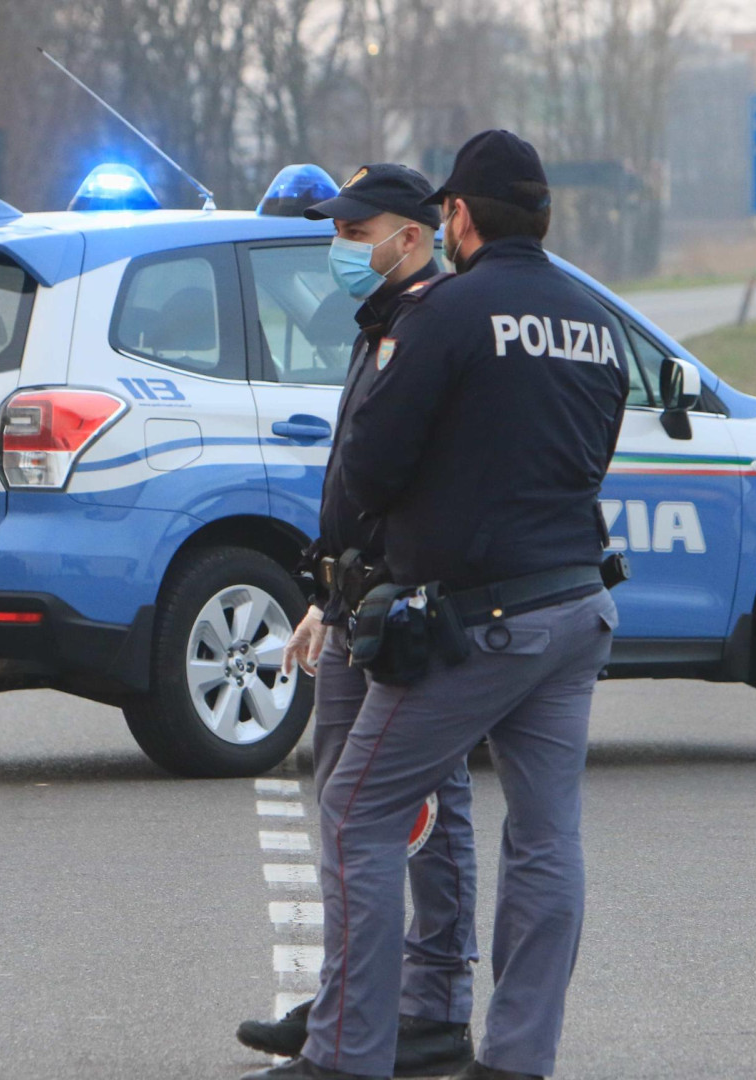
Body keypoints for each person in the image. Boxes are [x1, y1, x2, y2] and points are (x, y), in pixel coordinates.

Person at [249, 130, 630, 1080]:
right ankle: (515, 1060)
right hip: (576, 608)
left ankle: (347, 1055)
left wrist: (345, 563)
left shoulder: (449, 314)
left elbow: (372, 465)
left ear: (455, 217)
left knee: (355, 812)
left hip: (479, 618)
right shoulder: (596, 321)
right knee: (546, 841)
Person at [236, 164, 478, 1079]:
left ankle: (426, 1007)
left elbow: (404, 483)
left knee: (418, 813)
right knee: (350, 807)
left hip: (406, 606)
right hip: (353, 599)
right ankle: (352, 998)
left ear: (411, 236)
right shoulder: (383, 322)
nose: (341, 246)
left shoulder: (434, 327)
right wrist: (322, 597)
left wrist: (370, 588)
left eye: (355, 230)